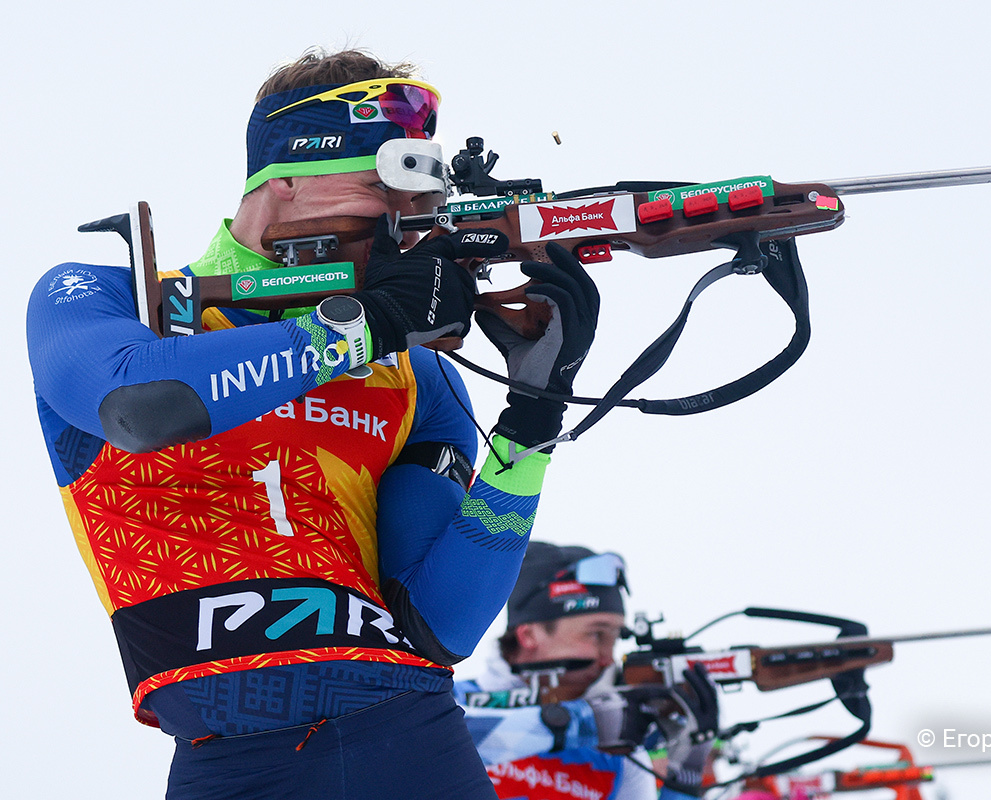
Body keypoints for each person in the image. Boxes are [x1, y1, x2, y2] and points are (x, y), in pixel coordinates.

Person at [27, 48, 599, 800]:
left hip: (414, 740)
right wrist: (363, 325)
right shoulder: (107, 300)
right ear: (283, 182)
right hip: (227, 763)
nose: (403, 227)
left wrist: (532, 422)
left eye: (419, 206)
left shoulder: (418, 375)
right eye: (378, 188)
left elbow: (438, 627)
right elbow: (139, 408)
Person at [456, 542, 720, 799]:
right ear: (529, 635)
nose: (608, 659)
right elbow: (435, 742)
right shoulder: (448, 699)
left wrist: (685, 776)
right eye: (596, 635)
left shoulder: (617, 752)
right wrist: (585, 722)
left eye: (615, 639)